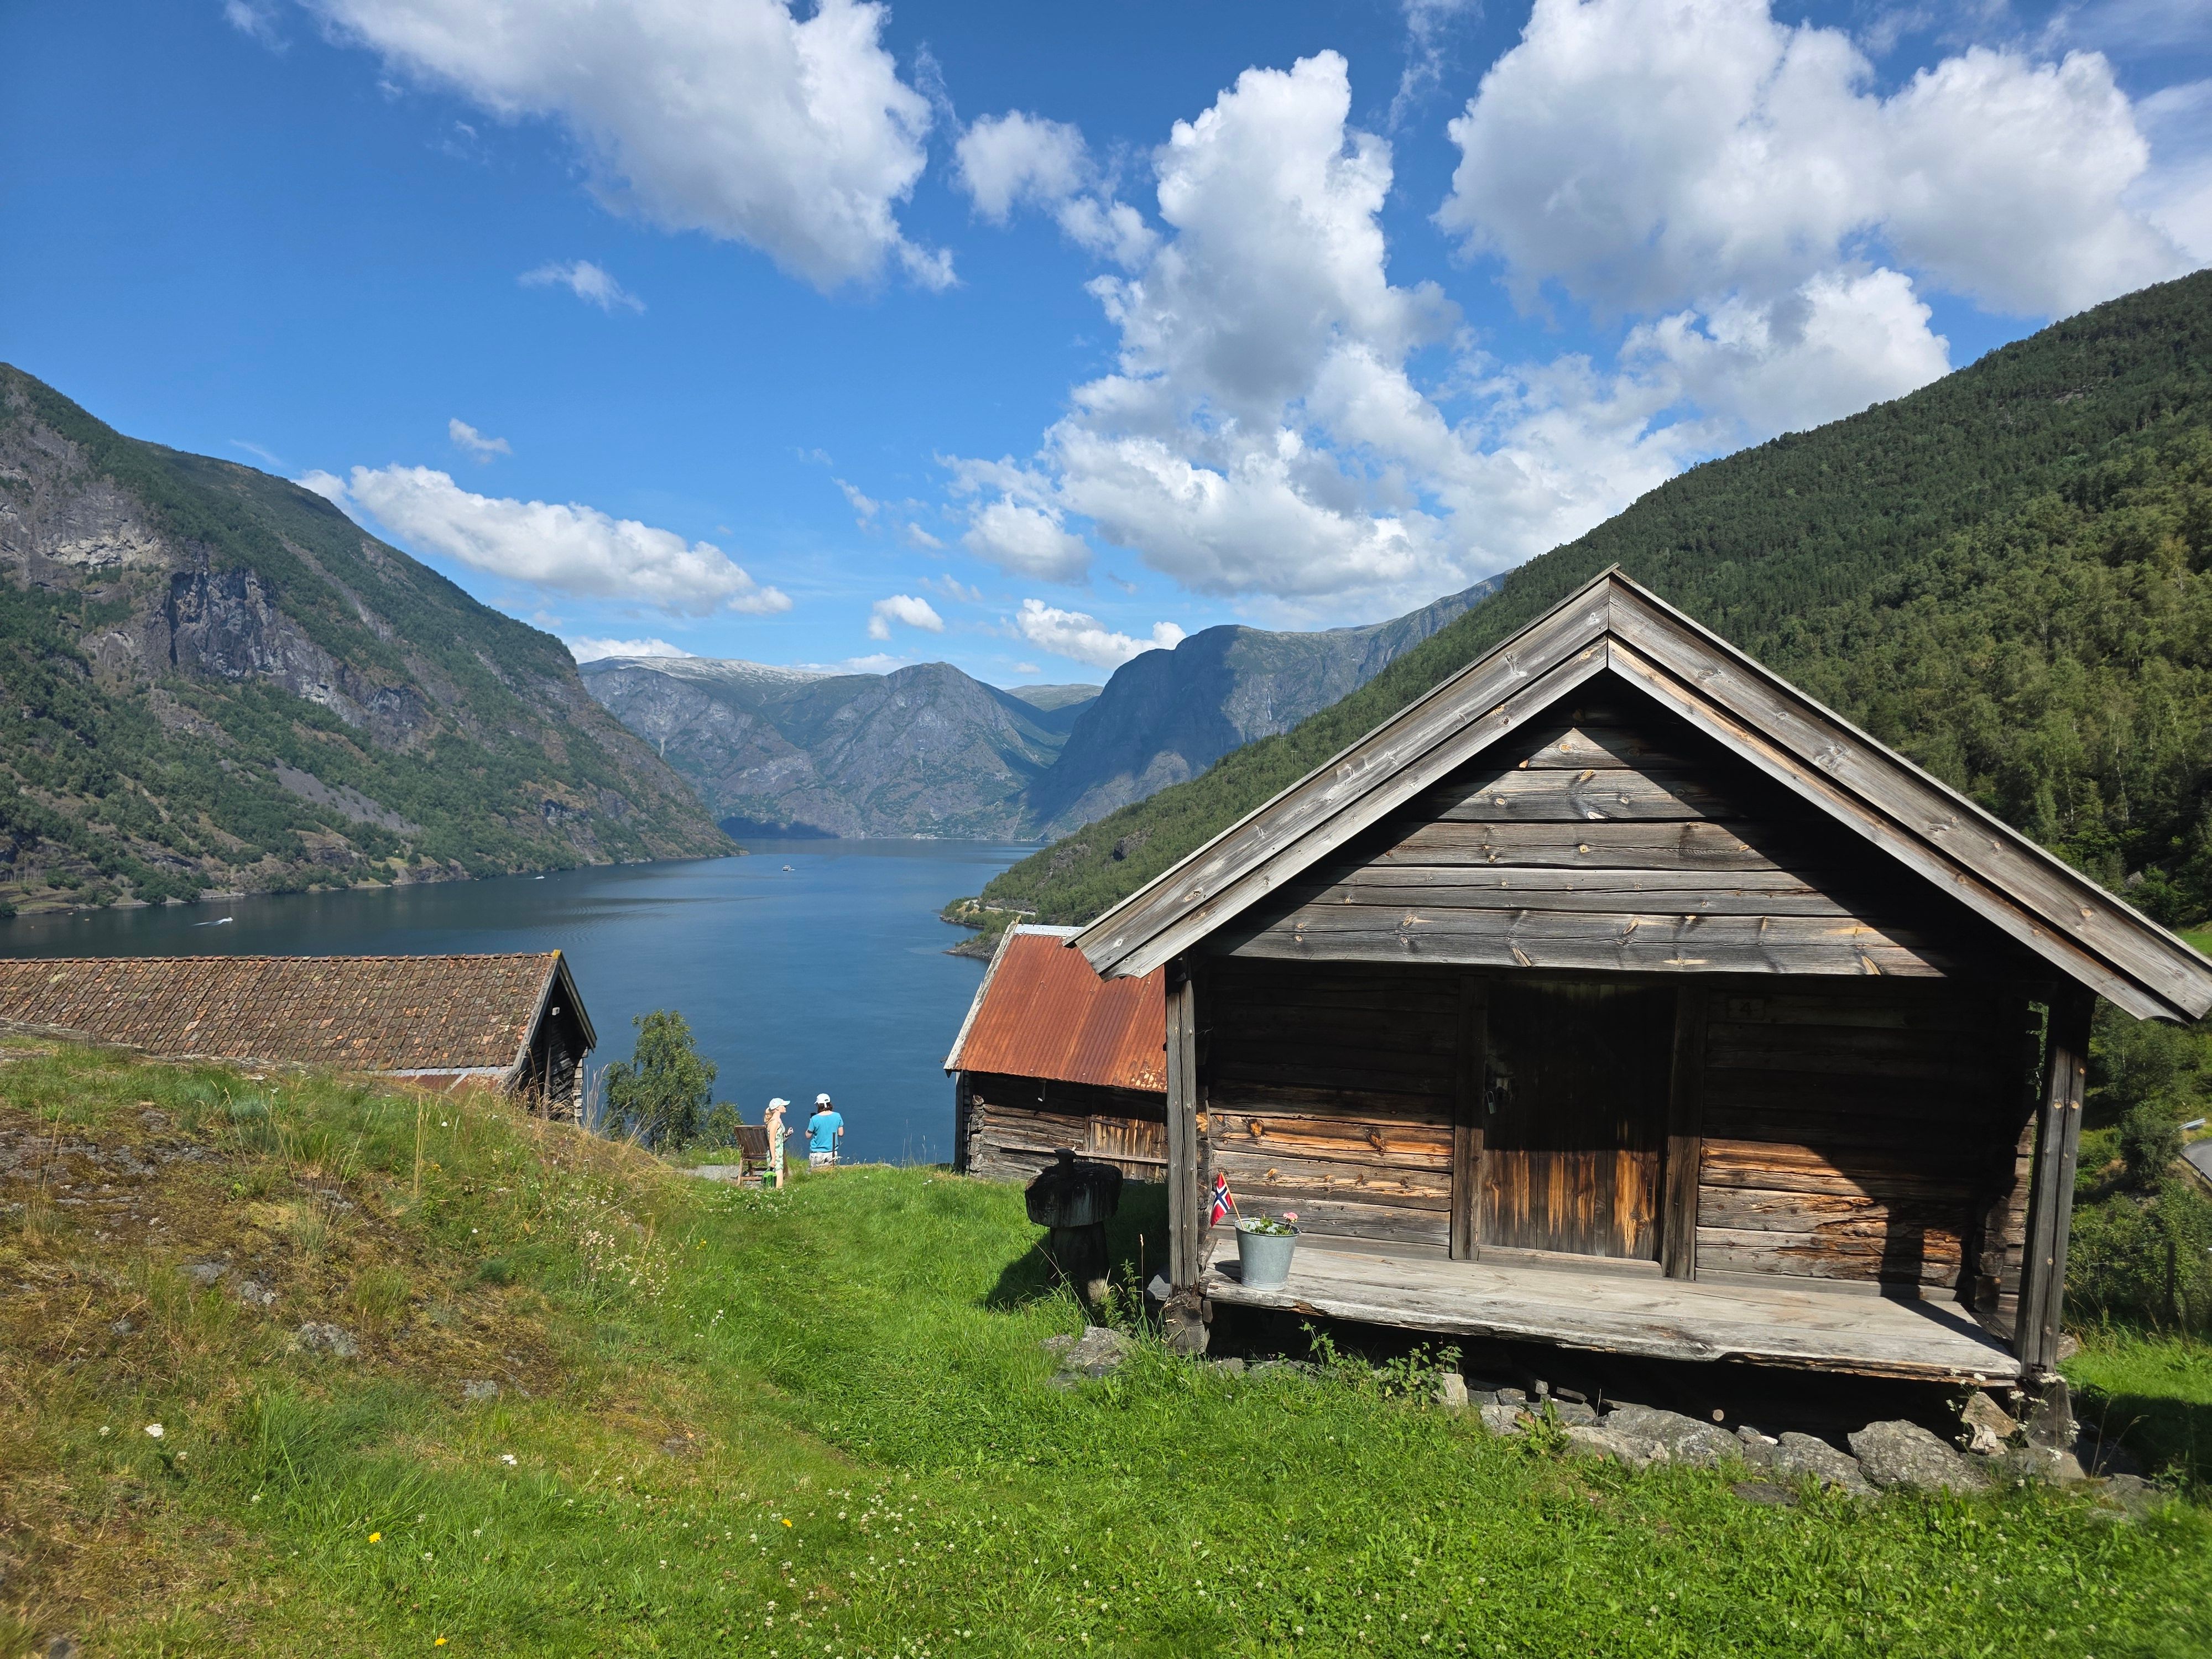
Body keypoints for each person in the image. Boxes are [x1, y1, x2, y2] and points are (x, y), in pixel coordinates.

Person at [805, 1092, 844, 1170]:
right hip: (832, 1152)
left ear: (819, 1105)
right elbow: (841, 1133)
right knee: (831, 1173)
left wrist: (811, 1123)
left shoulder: (815, 1119)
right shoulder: (837, 1116)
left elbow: (808, 1136)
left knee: (815, 1174)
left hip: (817, 1153)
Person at [763, 1097, 790, 1190]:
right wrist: (774, 1158)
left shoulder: (778, 1121)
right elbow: (772, 1140)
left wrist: (787, 1135)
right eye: (784, 1105)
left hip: (778, 1151)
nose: (785, 1107)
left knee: (778, 1180)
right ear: (778, 1108)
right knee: (779, 1184)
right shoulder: (774, 1122)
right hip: (775, 1154)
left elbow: (779, 1139)